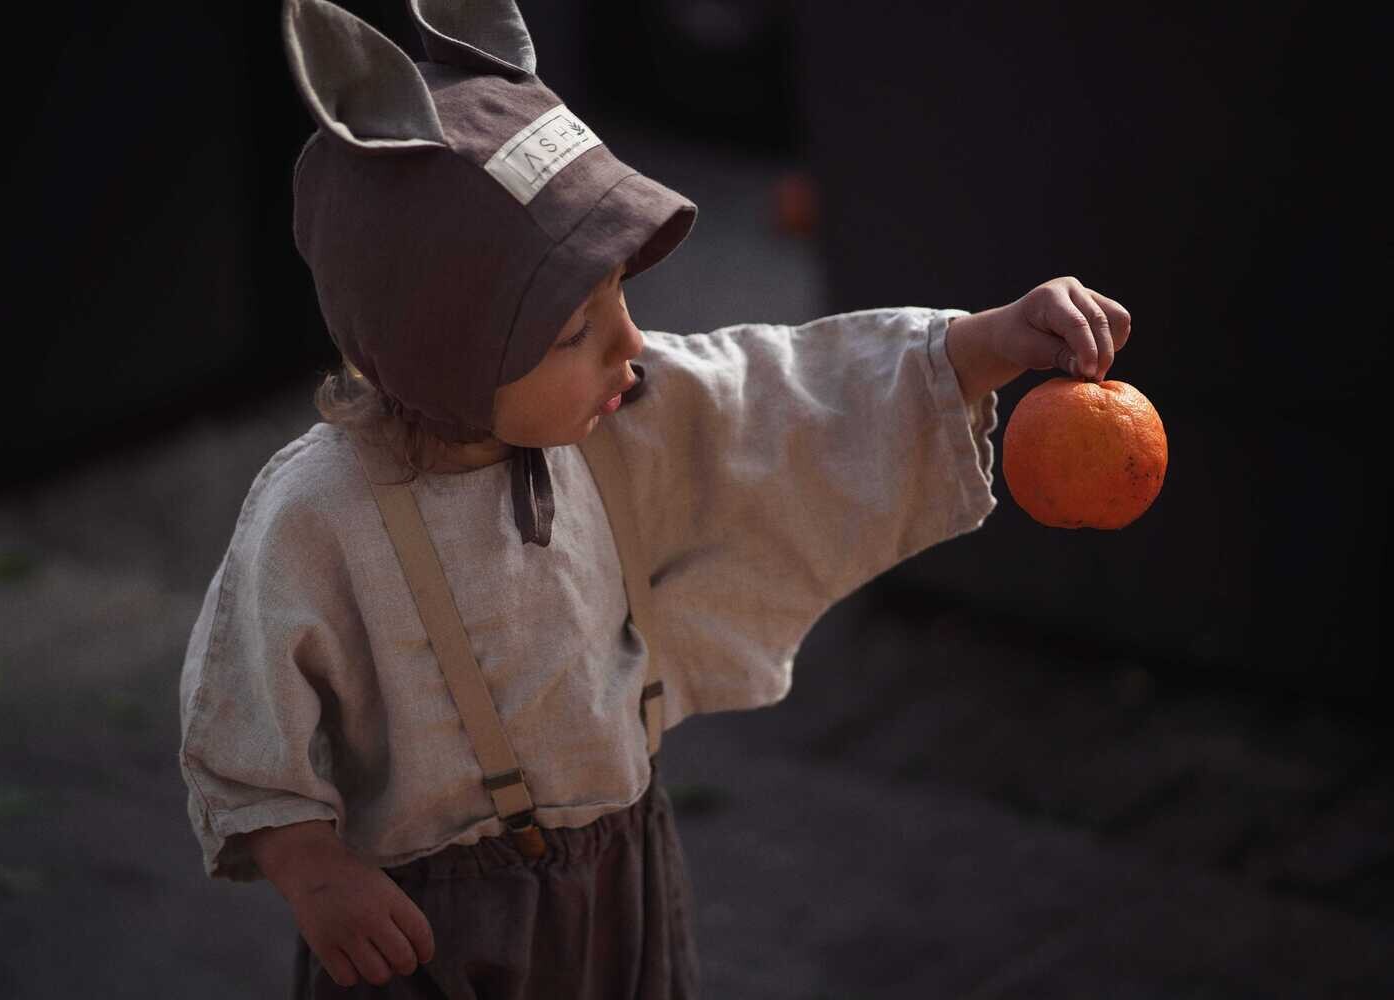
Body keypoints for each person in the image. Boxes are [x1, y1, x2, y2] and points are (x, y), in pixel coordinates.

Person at [176, 1, 1132, 997]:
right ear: (444, 351)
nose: (630, 344)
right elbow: (246, 707)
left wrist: (980, 345)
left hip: (618, 876)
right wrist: (315, 871)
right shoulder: (319, 515)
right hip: (426, 922)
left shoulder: (617, 417)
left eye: (620, 297)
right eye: (573, 330)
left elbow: (783, 396)